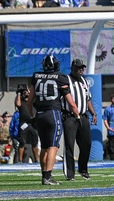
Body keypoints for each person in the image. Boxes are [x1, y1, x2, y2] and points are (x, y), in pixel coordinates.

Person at [25, 54, 78, 185]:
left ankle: (44, 175)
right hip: (53, 114)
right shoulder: (61, 77)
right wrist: (77, 115)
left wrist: (32, 116)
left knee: (44, 146)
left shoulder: (36, 77)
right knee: (53, 146)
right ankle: (47, 177)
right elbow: (71, 103)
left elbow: (29, 101)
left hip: (40, 114)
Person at [62, 59, 97, 181]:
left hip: (83, 116)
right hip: (70, 117)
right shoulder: (66, 79)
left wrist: (93, 113)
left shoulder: (84, 81)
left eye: (82, 68)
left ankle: (83, 169)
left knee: (86, 144)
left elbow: (88, 99)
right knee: (69, 145)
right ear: (72, 68)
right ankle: (70, 174)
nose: (80, 70)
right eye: (78, 68)